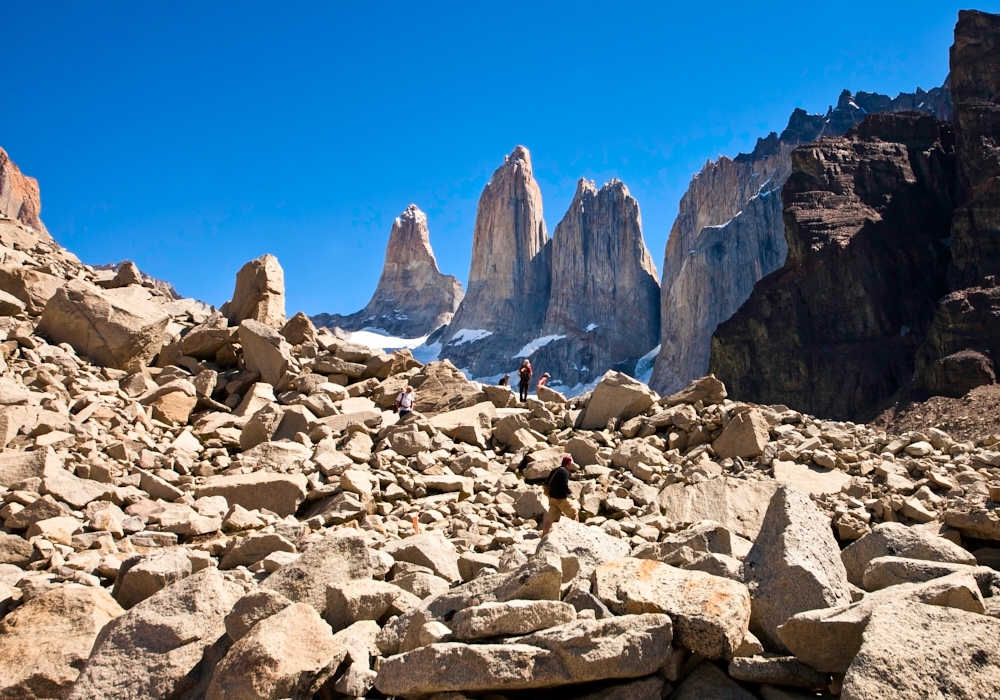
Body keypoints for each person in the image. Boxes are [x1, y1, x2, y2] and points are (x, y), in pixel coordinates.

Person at [542, 455, 578, 537]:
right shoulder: (564, 472)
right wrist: (568, 491)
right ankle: (576, 535)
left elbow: (547, 482)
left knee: (550, 519)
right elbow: (564, 485)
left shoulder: (554, 470)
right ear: (568, 464)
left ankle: (543, 536)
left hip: (551, 498)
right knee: (574, 513)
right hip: (560, 499)